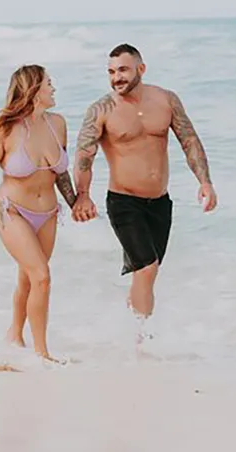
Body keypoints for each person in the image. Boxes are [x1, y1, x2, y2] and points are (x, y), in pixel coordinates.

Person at [71, 43, 217, 329]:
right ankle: (142, 341)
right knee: (146, 268)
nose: (116, 77)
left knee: (147, 272)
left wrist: (205, 182)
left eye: (123, 69)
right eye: (111, 72)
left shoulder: (166, 100)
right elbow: (84, 154)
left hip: (160, 202)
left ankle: (129, 327)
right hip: (124, 201)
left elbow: (189, 140)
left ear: (141, 68)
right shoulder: (101, 109)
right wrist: (83, 196)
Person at [0, 64, 78, 363]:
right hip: (11, 210)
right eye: (48, 83)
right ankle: (42, 354)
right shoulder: (4, 128)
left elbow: (61, 174)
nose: (53, 87)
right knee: (42, 277)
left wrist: (75, 204)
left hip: (47, 213)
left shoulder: (58, 124)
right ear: (33, 89)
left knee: (28, 279)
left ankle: (15, 334)